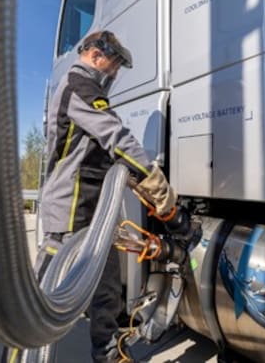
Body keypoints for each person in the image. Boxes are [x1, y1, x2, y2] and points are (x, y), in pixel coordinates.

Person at [37, 30, 176, 362]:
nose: (113, 73)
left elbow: (104, 151)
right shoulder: (78, 85)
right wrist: (154, 180)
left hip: (95, 210)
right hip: (70, 208)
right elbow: (115, 136)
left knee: (108, 289)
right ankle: (25, 348)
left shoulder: (87, 91)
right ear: (95, 56)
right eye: (112, 66)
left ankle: (109, 351)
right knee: (47, 295)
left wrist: (132, 179)